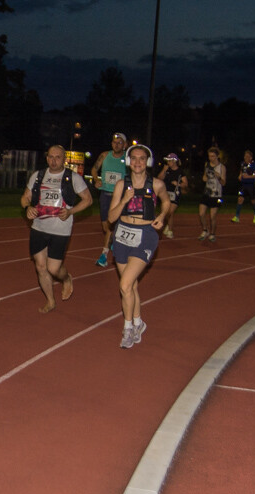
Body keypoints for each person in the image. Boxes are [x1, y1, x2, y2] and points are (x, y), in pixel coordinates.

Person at [108, 144, 171, 348]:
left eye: (141, 158)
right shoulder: (121, 185)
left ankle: (128, 329)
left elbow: (166, 201)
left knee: (125, 285)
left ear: (148, 162)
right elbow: (111, 218)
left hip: (145, 236)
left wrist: (162, 216)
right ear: (128, 162)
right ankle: (138, 322)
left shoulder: (157, 184)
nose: (137, 162)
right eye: (133, 158)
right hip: (122, 235)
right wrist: (124, 199)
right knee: (131, 286)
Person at [21, 144, 93, 313]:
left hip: (60, 229)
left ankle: (66, 278)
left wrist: (70, 212)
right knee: (40, 266)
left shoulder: (72, 178)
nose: (54, 161)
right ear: (47, 158)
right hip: (39, 227)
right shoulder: (38, 176)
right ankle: (50, 300)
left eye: (58, 157)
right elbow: (25, 197)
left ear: (64, 159)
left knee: (53, 269)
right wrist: (27, 207)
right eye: (51, 157)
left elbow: (88, 200)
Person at [91, 132, 128, 266]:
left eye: (120, 142)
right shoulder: (104, 155)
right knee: (106, 227)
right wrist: (96, 180)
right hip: (105, 195)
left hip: (119, 197)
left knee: (111, 226)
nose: (116, 144)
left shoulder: (127, 159)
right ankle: (113, 241)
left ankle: (103, 255)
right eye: (114, 142)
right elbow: (94, 169)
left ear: (125, 145)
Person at [197, 146, 226, 242]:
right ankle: (205, 230)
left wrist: (219, 177)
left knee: (213, 216)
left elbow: (223, 183)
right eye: (209, 156)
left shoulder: (222, 167)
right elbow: (204, 178)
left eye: (213, 156)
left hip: (217, 195)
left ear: (217, 156)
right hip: (207, 193)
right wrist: (204, 178)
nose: (211, 158)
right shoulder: (207, 164)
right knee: (201, 213)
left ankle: (213, 233)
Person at [156, 153, 186, 238]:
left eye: (170, 160)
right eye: (168, 160)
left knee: (169, 212)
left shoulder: (180, 171)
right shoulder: (166, 170)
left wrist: (178, 184)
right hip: (165, 193)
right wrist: (164, 170)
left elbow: (185, 184)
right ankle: (169, 229)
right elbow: (159, 178)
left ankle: (166, 228)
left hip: (175, 194)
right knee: (168, 213)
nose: (168, 162)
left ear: (174, 161)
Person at [232, 150, 255, 224]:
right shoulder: (242, 164)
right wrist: (240, 176)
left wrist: (248, 176)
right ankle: (237, 216)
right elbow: (241, 172)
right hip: (243, 185)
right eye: (245, 156)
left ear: (251, 157)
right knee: (240, 199)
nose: (245, 157)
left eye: (247, 156)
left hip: (251, 185)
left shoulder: (254, 165)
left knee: (253, 200)